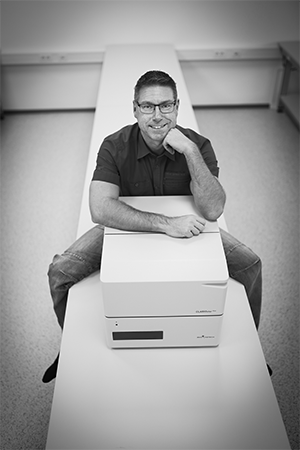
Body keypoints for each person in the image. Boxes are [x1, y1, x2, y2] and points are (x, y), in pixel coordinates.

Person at [42, 70, 263, 383]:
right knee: (60, 271)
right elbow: (100, 208)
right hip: (127, 225)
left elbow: (213, 208)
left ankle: (252, 350)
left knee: (250, 264)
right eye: (148, 106)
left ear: (176, 107)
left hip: (191, 225)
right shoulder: (115, 145)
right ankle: (70, 347)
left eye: (166, 106)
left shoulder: (197, 145)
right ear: (135, 108)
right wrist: (166, 224)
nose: (158, 115)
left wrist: (189, 152)